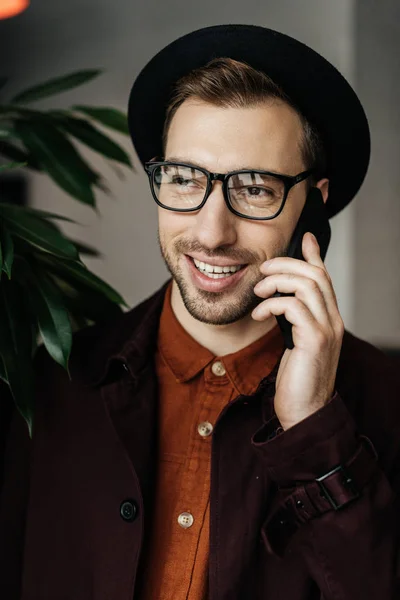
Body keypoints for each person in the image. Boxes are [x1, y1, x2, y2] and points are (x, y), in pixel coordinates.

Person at [1, 23, 399, 600]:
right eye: (186, 179)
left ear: (314, 204)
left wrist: (315, 432)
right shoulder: (53, 382)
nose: (211, 233)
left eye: (255, 188)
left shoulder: (385, 403)